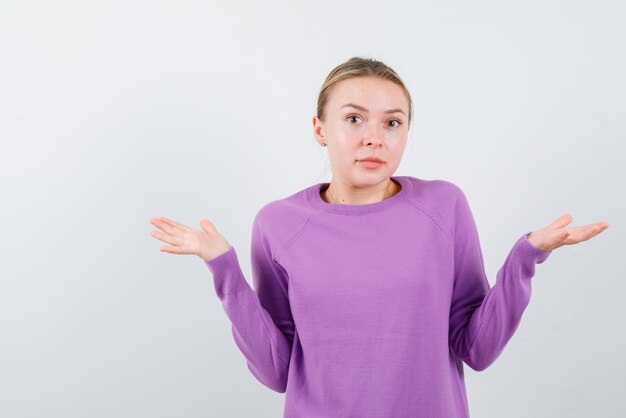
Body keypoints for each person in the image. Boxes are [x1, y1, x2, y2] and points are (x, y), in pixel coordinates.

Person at [148, 57, 609, 417]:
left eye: (392, 122)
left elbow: (478, 349)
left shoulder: (443, 207)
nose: (375, 138)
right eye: (354, 119)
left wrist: (526, 257)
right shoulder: (278, 224)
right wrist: (223, 267)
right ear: (319, 129)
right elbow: (277, 372)